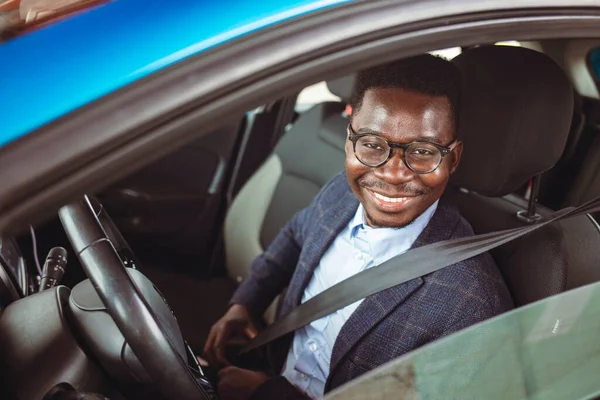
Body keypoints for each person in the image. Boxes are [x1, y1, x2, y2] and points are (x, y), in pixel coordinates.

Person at [203, 54, 514, 400]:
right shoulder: (341, 191)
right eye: (371, 144)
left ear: (453, 159)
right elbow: (295, 235)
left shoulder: (471, 310)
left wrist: (266, 393)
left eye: (423, 151)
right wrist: (246, 302)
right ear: (348, 141)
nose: (393, 174)